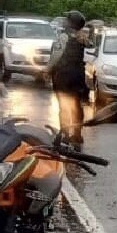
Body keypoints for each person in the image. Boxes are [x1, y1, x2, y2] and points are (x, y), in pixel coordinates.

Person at [48, 10, 89, 147]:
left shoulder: (64, 36)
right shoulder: (82, 38)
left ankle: (65, 134)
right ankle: (77, 134)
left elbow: (56, 55)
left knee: (64, 105)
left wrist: (47, 69)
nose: (64, 21)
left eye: (67, 19)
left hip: (64, 75)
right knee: (77, 105)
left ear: (71, 22)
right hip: (78, 76)